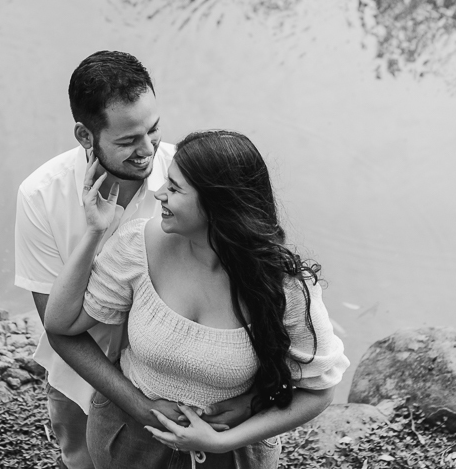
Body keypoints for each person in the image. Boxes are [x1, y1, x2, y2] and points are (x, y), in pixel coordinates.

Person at [44, 130, 350, 469]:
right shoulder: (138, 245)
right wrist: (94, 232)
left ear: (217, 206)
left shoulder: (286, 287)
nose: (158, 193)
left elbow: (319, 389)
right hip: (129, 444)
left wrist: (221, 440)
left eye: (174, 188)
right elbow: (61, 325)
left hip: (232, 457)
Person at [14, 53, 253, 469]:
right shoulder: (40, 197)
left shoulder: (189, 179)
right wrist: (141, 406)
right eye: (127, 141)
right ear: (85, 136)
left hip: (183, 384)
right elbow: (58, 326)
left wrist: (250, 396)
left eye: (154, 130)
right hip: (77, 378)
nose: (147, 151)